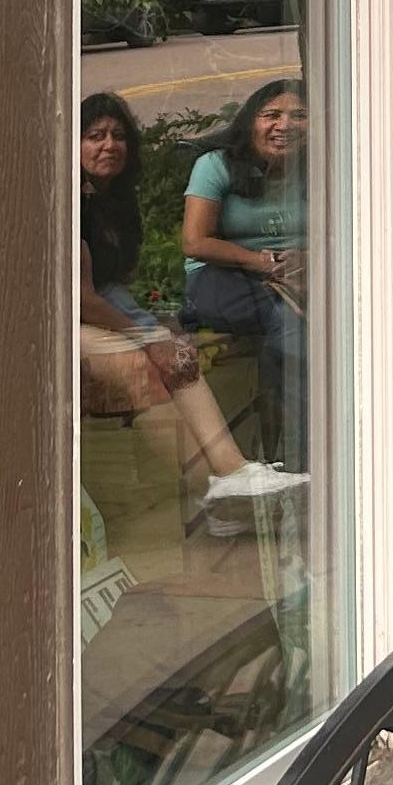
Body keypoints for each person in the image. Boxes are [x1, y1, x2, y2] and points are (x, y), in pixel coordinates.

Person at [75, 90, 285, 526]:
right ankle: (216, 492)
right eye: (94, 135)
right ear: (72, 144)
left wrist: (160, 330)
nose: (108, 145)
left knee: (179, 354)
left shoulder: (115, 200)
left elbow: (118, 284)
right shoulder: (68, 200)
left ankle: (231, 474)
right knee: (144, 366)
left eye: (117, 135)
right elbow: (79, 296)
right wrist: (146, 336)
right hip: (61, 316)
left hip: (103, 307)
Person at [182, 75, 309, 455]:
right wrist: (262, 263)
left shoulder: (323, 165)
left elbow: (346, 229)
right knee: (289, 323)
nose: (284, 125)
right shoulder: (216, 165)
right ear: (250, 122)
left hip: (301, 273)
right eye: (270, 114)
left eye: (299, 115)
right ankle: (295, 447)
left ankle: (286, 446)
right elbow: (195, 241)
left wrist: (312, 255)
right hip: (225, 272)